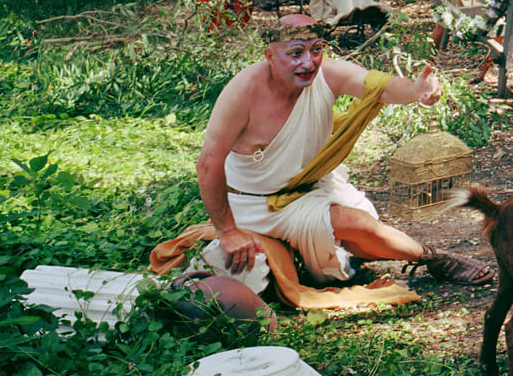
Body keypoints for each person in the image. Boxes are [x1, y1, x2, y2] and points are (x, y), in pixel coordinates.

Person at [195, 19, 494, 288]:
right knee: (359, 225)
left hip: (310, 185)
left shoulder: (328, 74)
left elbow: (383, 88)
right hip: (259, 204)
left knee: (363, 234)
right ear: (270, 56)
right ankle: (434, 258)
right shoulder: (244, 91)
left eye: (316, 50)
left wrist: (417, 91)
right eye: (295, 53)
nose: (308, 63)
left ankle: (322, 247)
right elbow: (208, 163)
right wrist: (228, 231)